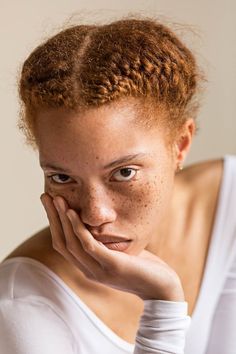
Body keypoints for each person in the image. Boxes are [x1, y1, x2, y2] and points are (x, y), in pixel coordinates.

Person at [0, 16, 235, 354]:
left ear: (181, 144)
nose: (96, 214)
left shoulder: (230, 208)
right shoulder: (23, 304)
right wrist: (162, 306)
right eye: (63, 178)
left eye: (124, 173)